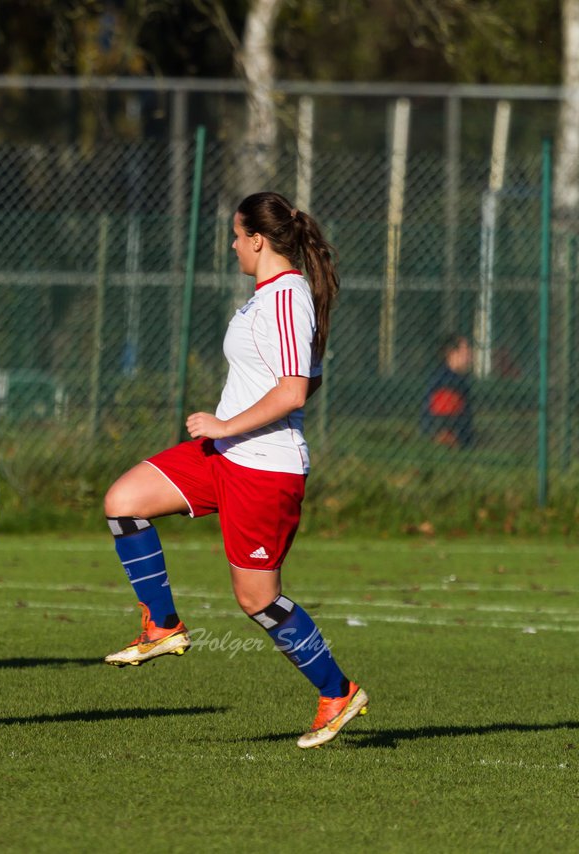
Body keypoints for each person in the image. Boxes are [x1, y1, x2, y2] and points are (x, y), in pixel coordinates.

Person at [102, 191, 368, 749]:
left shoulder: (287, 297)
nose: (231, 245)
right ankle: (163, 626)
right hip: (226, 457)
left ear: (258, 239)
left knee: (257, 600)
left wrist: (227, 425)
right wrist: (230, 429)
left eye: (235, 234)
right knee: (124, 500)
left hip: (265, 469)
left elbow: (294, 390)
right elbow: (306, 377)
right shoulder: (264, 297)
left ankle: (337, 692)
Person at [422, 334, 474, 448]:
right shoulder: (447, 381)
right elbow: (443, 426)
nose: (471, 354)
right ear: (451, 352)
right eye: (466, 350)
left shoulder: (457, 379)